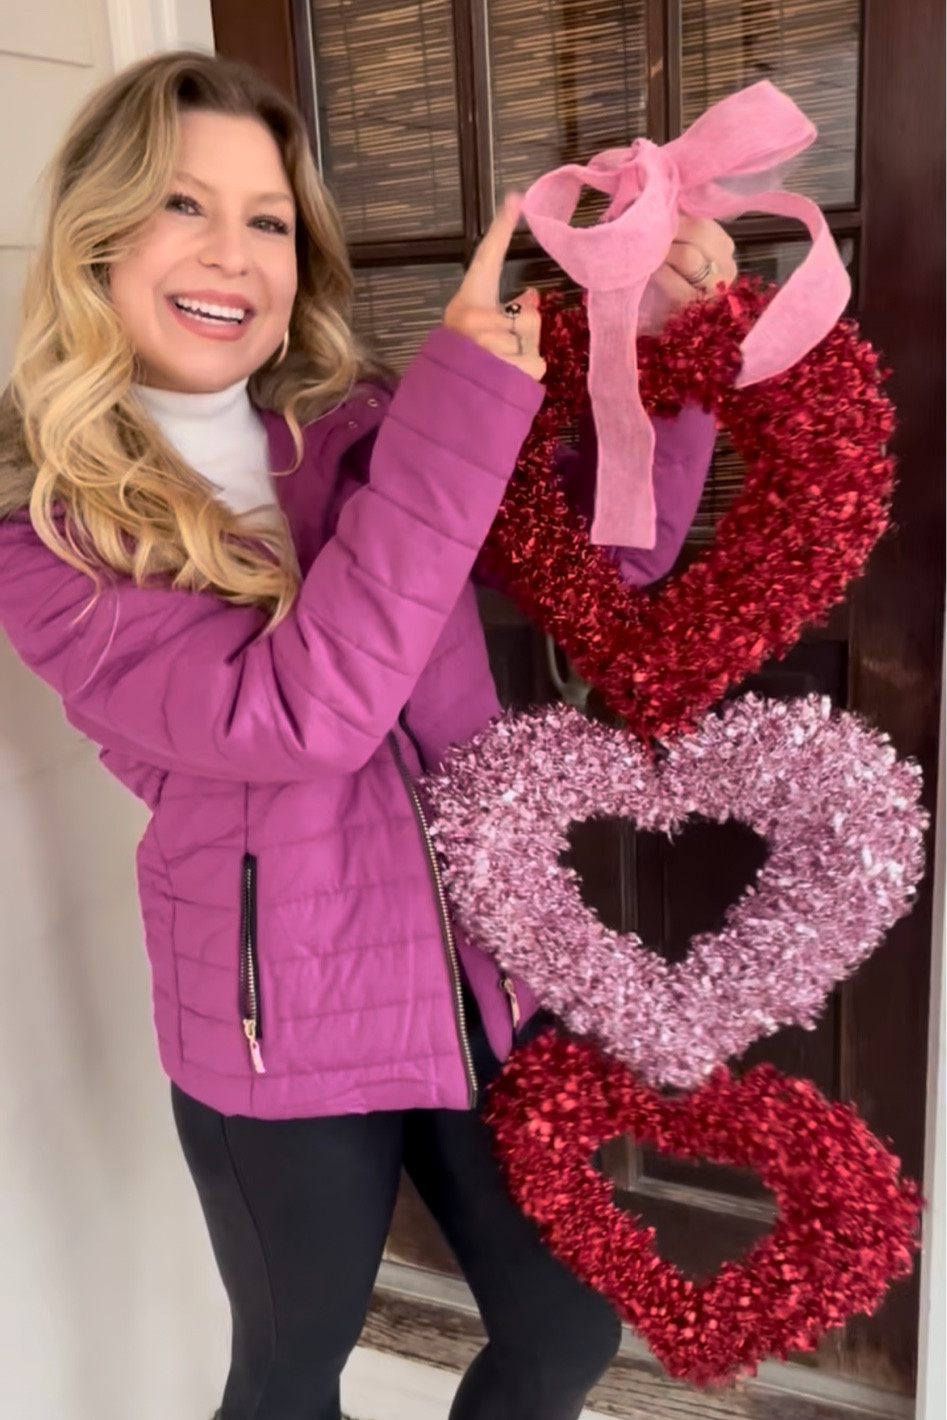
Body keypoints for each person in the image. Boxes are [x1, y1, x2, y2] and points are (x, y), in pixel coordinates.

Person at [0, 51, 735, 1420]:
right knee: (290, 1379)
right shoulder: (49, 536)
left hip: (481, 976)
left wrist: (658, 346)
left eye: (268, 219)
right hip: (279, 1030)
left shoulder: (350, 432)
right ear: (97, 238)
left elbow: (608, 564)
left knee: (567, 1332)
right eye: (181, 205)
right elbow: (302, 714)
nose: (233, 254)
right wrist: (462, 410)